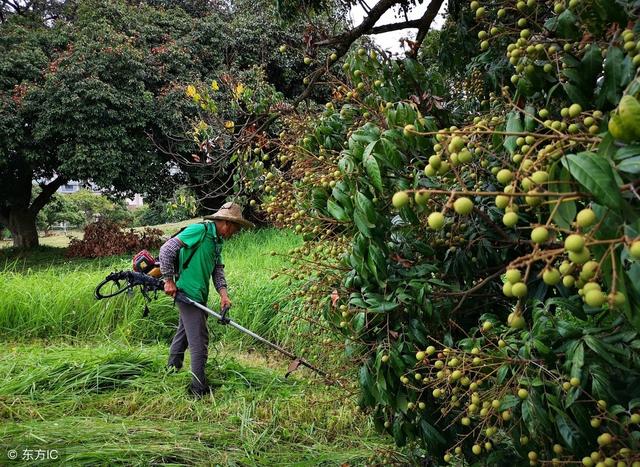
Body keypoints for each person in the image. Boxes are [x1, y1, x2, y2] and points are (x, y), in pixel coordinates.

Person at [158, 202, 254, 397]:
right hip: (186, 292)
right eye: (236, 228)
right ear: (227, 223)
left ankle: (171, 370)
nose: (235, 233)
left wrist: (224, 295)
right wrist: (168, 280)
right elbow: (166, 250)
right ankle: (198, 388)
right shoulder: (199, 231)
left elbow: (217, 270)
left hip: (199, 294)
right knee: (199, 340)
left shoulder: (216, 241)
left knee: (184, 334)